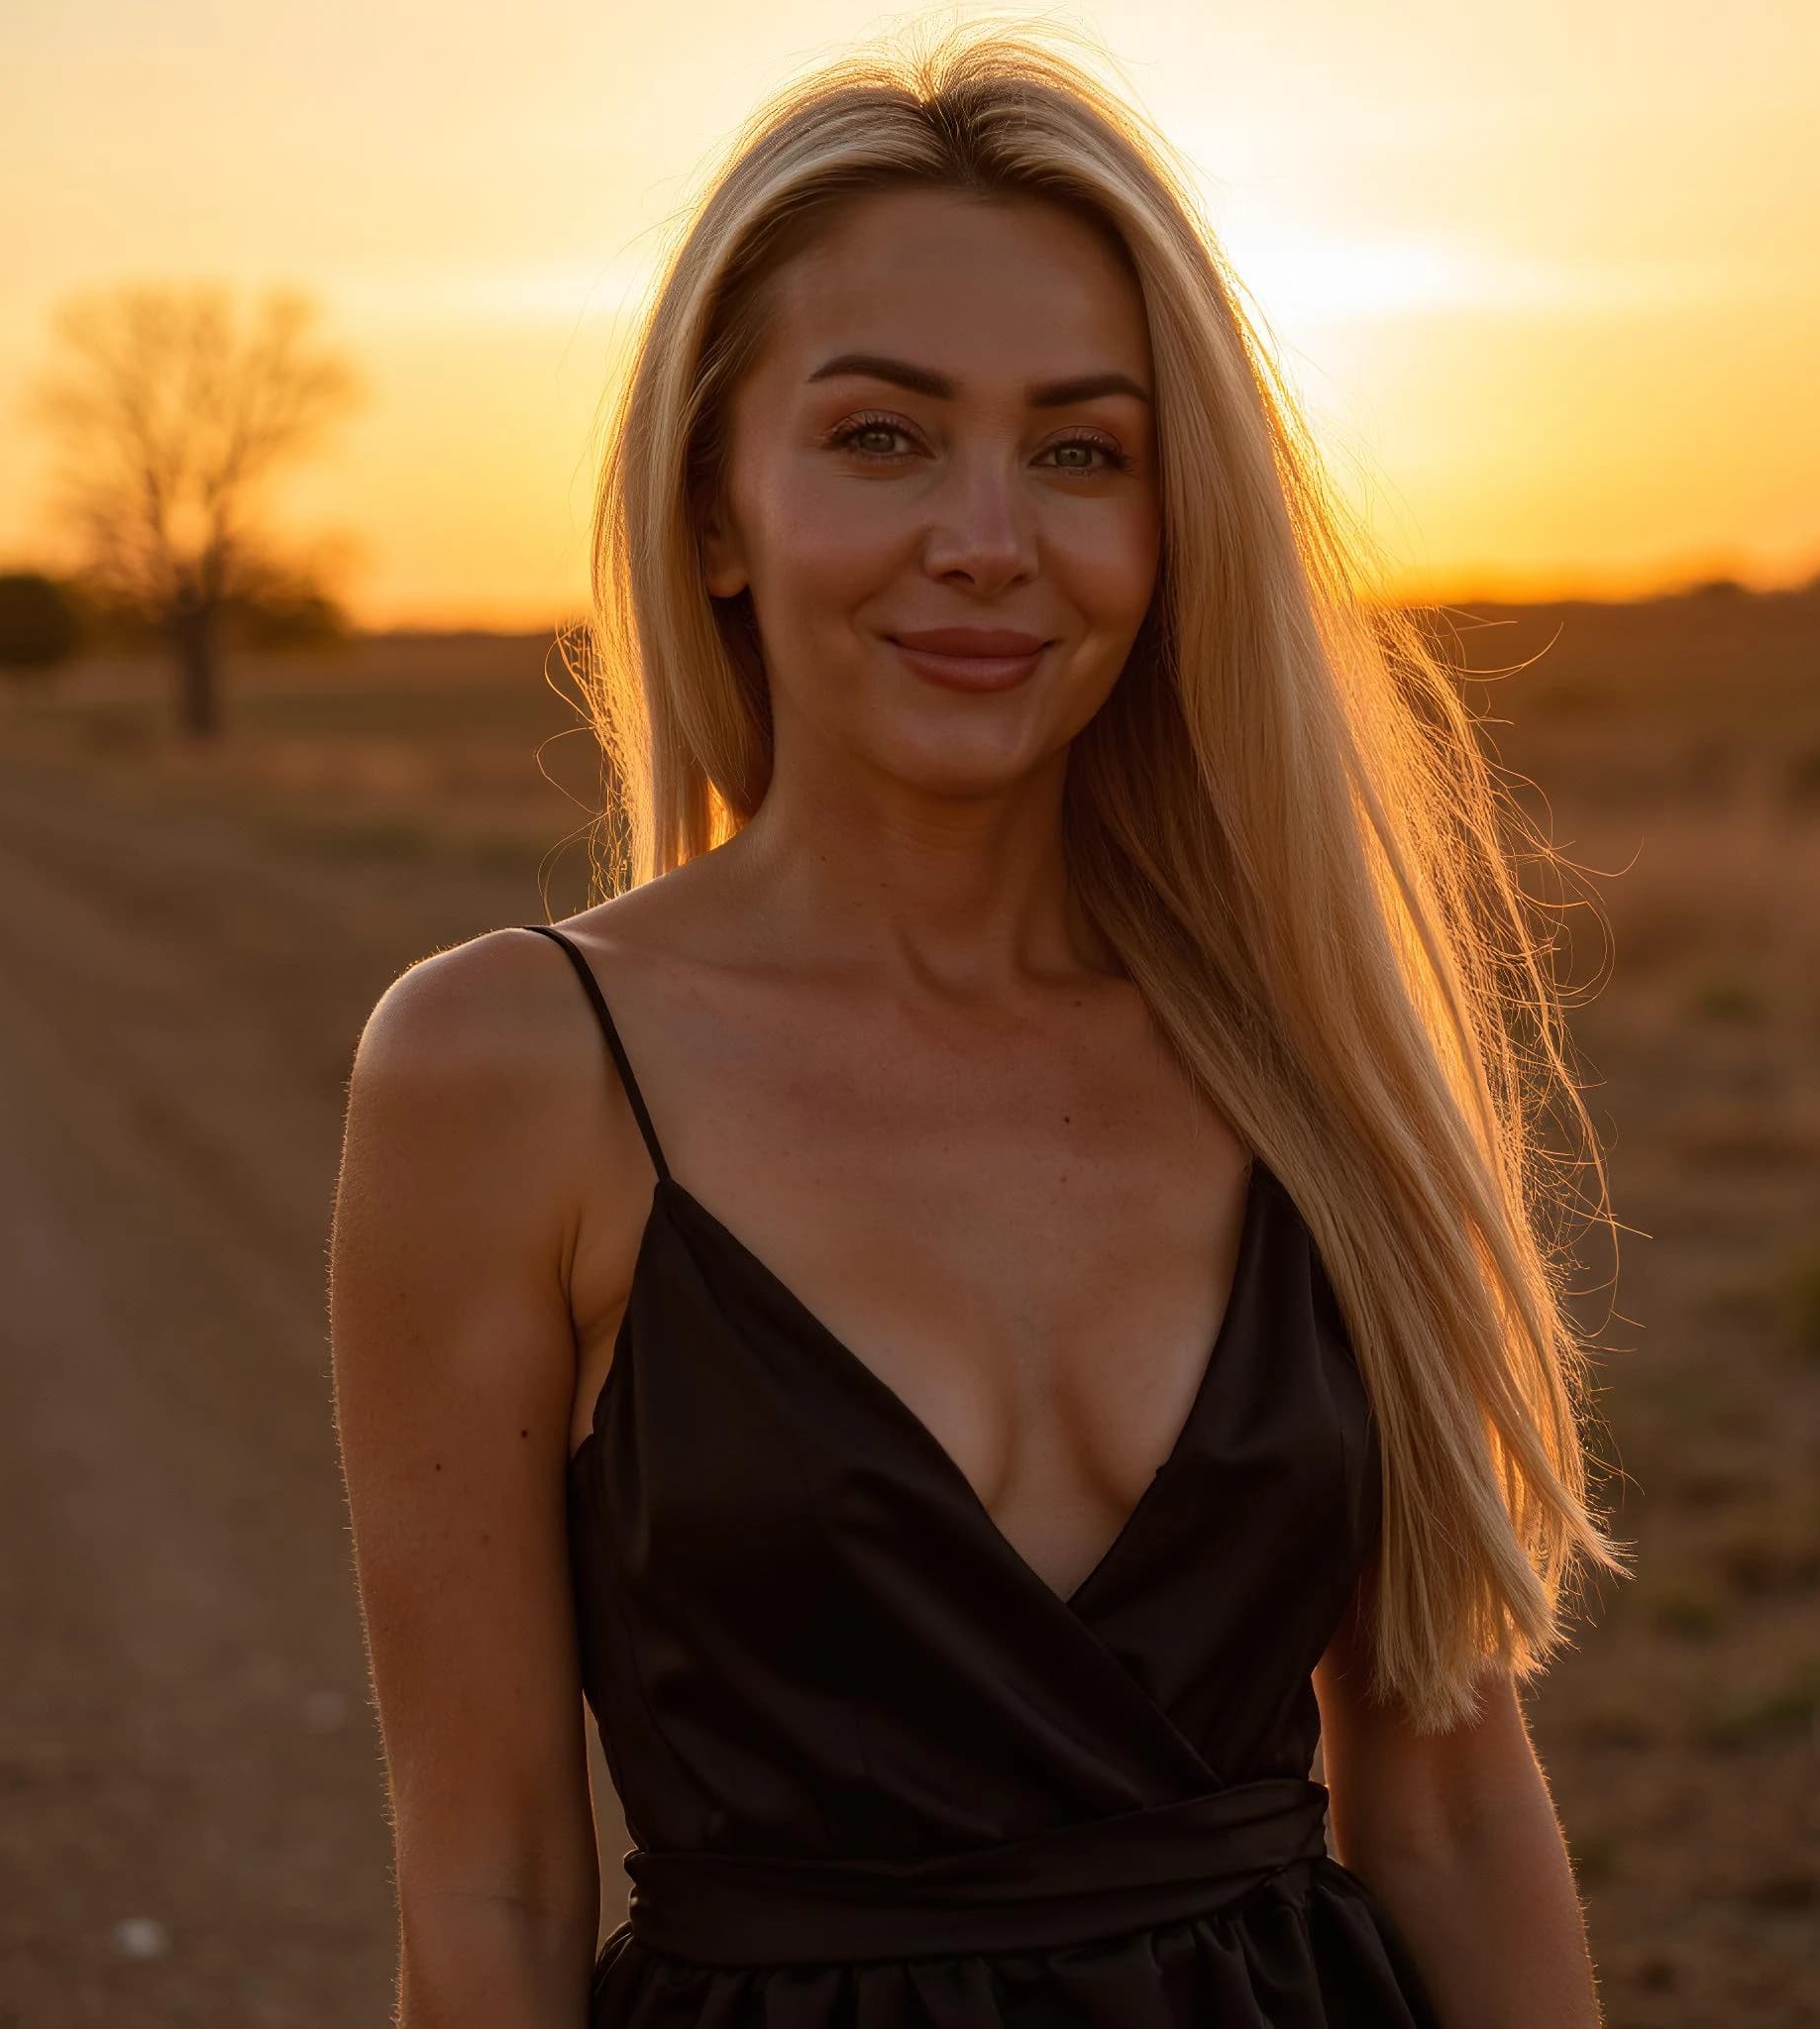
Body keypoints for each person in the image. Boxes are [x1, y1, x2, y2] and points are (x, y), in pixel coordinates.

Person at [329, 22, 1627, 2027]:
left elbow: (1447, 1800)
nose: (989, 540)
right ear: (714, 511)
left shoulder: (1303, 1052)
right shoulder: (509, 1068)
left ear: (1172, 530)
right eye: (882, 436)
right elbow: (489, 1879)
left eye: (1082, 451)